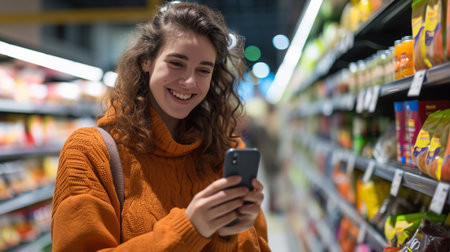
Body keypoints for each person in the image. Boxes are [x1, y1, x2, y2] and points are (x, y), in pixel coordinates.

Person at [51, 2, 270, 251]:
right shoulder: (90, 151)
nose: (189, 82)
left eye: (203, 70)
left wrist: (239, 230)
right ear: (147, 60)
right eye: (176, 63)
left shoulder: (224, 149)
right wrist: (190, 229)